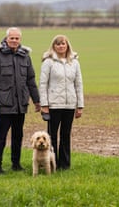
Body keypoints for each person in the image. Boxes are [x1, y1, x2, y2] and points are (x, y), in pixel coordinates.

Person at [0, 27, 41, 174]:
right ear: (6, 38)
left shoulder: (25, 56)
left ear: (20, 39)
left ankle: (16, 164)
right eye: (12, 38)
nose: (14, 41)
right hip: (5, 103)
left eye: (17, 38)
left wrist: (37, 100)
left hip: (21, 104)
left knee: (18, 135)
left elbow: (31, 80)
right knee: (1, 137)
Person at [39, 34, 84, 170]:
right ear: (54, 46)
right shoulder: (48, 62)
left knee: (65, 135)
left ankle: (64, 165)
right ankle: (52, 164)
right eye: (58, 44)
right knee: (51, 136)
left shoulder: (74, 62)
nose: (61, 46)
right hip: (53, 105)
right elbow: (43, 84)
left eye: (63, 43)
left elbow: (78, 84)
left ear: (67, 45)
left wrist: (80, 105)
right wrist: (44, 105)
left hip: (69, 104)